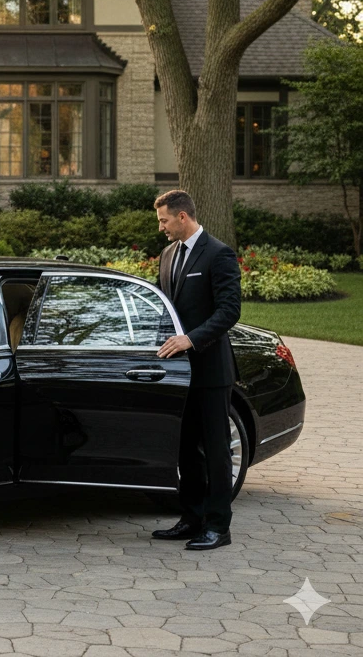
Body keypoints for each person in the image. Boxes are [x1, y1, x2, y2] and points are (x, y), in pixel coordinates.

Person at [151, 189, 242, 551]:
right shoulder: (168, 254)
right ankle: (191, 518)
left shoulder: (219, 254)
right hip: (177, 373)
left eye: (164, 220)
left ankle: (218, 527)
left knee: (216, 450)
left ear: (183, 217)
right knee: (186, 448)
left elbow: (230, 310)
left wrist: (191, 339)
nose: (162, 228)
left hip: (210, 372)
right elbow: (164, 307)